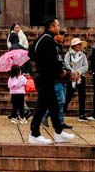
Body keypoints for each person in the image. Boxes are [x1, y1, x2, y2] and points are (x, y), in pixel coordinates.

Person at [28, 17, 75, 145]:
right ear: (51, 27)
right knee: (42, 107)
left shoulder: (41, 39)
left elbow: (31, 53)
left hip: (44, 77)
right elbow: (52, 61)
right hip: (45, 77)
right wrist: (61, 72)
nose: (59, 28)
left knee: (51, 105)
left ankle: (58, 132)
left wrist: (40, 62)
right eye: (57, 25)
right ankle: (34, 134)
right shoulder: (48, 41)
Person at [64, 37, 89, 121]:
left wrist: (78, 72)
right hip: (71, 77)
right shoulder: (68, 54)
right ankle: (62, 112)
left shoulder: (83, 55)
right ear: (73, 46)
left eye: (80, 44)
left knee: (82, 96)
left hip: (80, 77)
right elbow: (66, 64)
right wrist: (73, 72)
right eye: (77, 44)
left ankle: (81, 114)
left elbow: (85, 66)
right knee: (68, 95)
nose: (79, 46)